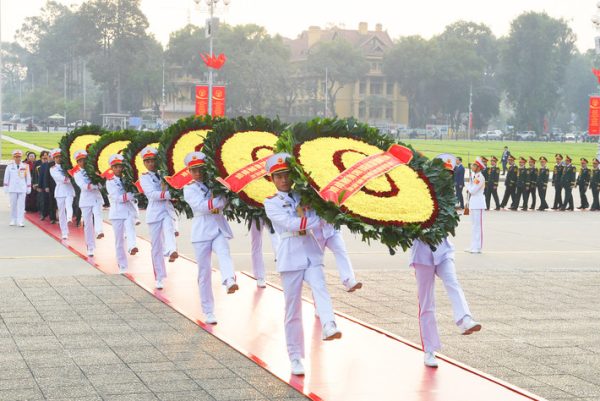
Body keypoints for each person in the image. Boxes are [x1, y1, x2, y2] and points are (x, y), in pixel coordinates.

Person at [263, 153, 341, 376]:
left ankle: (329, 324)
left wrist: (319, 212)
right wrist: (313, 219)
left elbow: (320, 212)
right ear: (272, 179)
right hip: (289, 256)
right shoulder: (271, 203)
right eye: (278, 176)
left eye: (287, 175)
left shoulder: (304, 195)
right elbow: (289, 223)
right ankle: (295, 356)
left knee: (320, 287)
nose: (284, 180)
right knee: (292, 309)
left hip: (310, 251)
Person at [182, 151, 239, 324]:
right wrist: (216, 202)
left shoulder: (215, 184)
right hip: (201, 232)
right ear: (189, 171)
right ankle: (208, 311)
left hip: (218, 227)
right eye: (194, 170)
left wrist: (220, 196)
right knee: (204, 273)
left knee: (224, 252)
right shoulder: (189, 188)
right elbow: (200, 206)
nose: (198, 173)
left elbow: (224, 200)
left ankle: (229, 279)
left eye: (200, 169)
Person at [410, 237, 482, 368]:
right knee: (426, 302)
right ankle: (429, 350)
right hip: (421, 254)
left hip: (443, 249)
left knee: (453, 283)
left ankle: (465, 319)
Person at [138, 146, 179, 289]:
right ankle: (159, 277)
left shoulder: (164, 173)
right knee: (156, 247)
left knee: (169, 229)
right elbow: (151, 194)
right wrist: (168, 195)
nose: (151, 163)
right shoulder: (143, 177)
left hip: (167, 209)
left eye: (153, 160)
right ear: (144, 163)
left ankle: (171, 250)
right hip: (154, 213)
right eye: (148, 161)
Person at [105, 154, 139, 273]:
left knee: (130, 228)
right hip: (117, 213)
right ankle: (122, 265)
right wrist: (131, 195)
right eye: (116, 167)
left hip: (128, 210)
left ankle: (132, 246)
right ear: (112, 169)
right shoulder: (110, 182)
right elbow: (117, 197)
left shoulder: (128, 179)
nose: (118, 169)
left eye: (120, 166)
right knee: (119, 240)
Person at [313, 221, 362, 292]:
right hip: (315, 234)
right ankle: (316, 288)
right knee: (316, 262)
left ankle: (349, 281)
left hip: (332, 231)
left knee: (341, 251)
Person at [72, 150, 105, 256]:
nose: (83, 162)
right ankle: (90, 247)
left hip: (96, 197)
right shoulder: (77, 174)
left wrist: (98, 181)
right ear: (77, 162)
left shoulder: (94, 170)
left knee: (98, 214)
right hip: (86, 199)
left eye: (84, 160)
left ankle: (99, 231)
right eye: (80, 161)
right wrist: (94, 186)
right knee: (88, 224)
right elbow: (83, 186)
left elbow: (101, 184)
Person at [48, 149, 75, 240]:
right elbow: (60, 179)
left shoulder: (68, 167)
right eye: (57, 157)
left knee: (69, 204)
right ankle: (64, 232)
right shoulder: (53, 169)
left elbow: (74, 175)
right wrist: (69, 179)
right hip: (60, 191)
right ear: (54, 158)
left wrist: (71, 177)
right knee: (61, 211)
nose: (59, 159)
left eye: (60, 157)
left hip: (69, 190)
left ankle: (69, 218)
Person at [3, 150, 31, 227]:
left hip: (22, 188)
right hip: (13, 188)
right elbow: (6, 177)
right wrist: (6, 187)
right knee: (13, 205)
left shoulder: (25, 166)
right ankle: (13, 219)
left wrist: (28, 187)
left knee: (21, 205)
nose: (17, 158)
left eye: (19, 157)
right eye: (16, 157)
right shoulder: (9, 166)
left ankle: (20, 221)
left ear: (21, 157)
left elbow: (28, 177)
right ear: (13, 157)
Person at [249, 218, 279, 288]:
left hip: (269, 213)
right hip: (254, 213)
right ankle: (260, 276)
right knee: (256, 244)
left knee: (275, 236)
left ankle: (280, 259)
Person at [465, 157, 485, 253]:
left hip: (478, 203)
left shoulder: (479, 177)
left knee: (478, 226)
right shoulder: (475, 176)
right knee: (473, 226)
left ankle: (478, 247)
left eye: (474, 165)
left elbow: (473, 190)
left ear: (478, 167)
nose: (472, 166)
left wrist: (468, 185)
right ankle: (473, 245)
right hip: (474, 203)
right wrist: (470, 184)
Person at [36, 151, 52, 221]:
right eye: (49, 156)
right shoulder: (44, 165)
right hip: (44, 186)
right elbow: (41, 176)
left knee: (51, 202)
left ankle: (52, 216)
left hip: (52, 186)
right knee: (44, 201)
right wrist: (39, 186)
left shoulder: (54, 165)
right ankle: (43, 214)